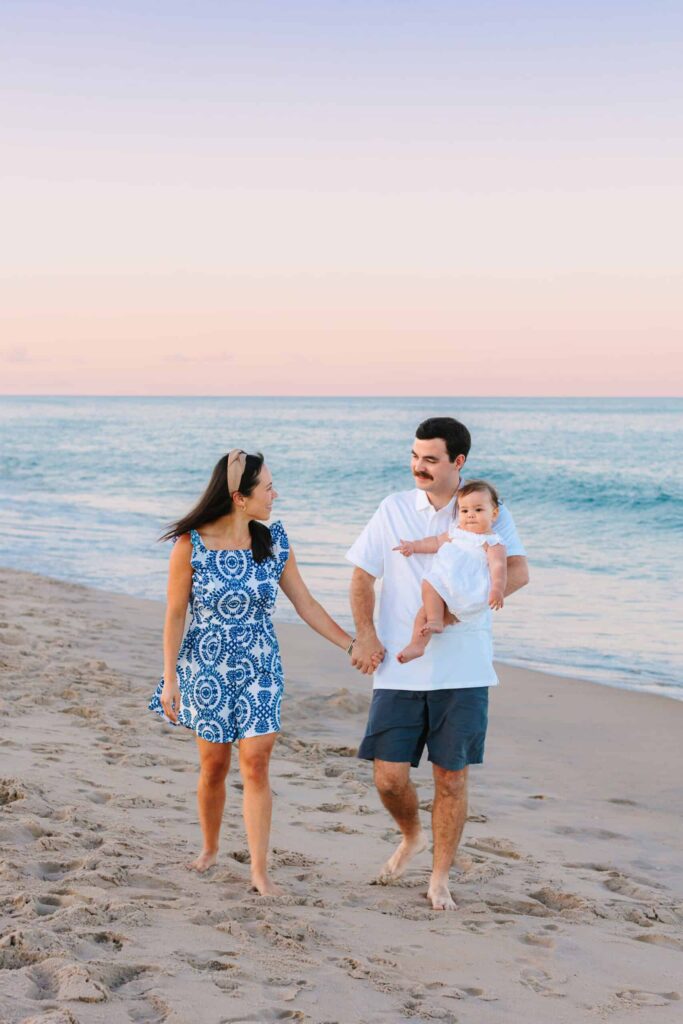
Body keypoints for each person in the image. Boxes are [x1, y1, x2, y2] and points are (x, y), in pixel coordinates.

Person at [149, 449, 353, 896]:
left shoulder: (274, 541)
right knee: (214, 767)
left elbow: (307, 604)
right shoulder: (191, 545)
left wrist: (350, 644)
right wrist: (170, 677)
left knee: (256, 764)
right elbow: (174, 615)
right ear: (240, 498)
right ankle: (209, 847)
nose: (275, 495)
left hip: (261, 668)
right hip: (206, 667)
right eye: (268, 488)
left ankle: (259, 871)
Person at [346, 418, 529, 911]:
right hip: (399, 667)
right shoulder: (394, 509)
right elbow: (362, 577)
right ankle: (411, 835)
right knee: (388, 776)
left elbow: (516, 572)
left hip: (464, 668)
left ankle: (439, 878)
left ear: (458, 462)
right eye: (414, 456)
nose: (418, 467)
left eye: (430, 459)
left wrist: (453, 611)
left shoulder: (485, 510)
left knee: (451, 777)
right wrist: (365, 635)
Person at [395, 479, 507, 663]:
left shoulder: (492, 542)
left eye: (478, 510)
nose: (470, 515)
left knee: (429, 584)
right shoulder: (456, 531)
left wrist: (497, 589)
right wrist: (413, 546)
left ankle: (435, 621)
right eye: (464, 511)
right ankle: (417, 644)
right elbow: (435, 542)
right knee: (424, 609)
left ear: (494, 514)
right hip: (445, 582)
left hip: (466, 586)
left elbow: (498, 567)